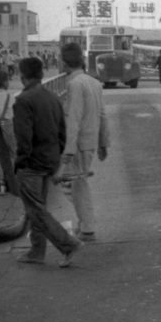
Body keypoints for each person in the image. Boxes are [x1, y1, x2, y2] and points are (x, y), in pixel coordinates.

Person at [12, 57, 83, 267]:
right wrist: (56, 157)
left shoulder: (23, 100)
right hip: (49, 160)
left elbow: (24, 137)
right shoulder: (52, 97)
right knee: (37, 208)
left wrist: (20, 161)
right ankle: (36, 250)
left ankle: (67, 244)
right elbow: (62, 131)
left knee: (35, 210)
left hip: (32, 163)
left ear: (22, 76)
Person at [60, 42, 110, 241]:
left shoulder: (74, 84)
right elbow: (103, 115)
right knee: (77, 185)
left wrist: (68, 150)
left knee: (75, 186)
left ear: (65, 62)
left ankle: (87, 227)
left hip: (78, 143)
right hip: (90, 141)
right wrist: (103, 142)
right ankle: (84, 224)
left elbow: (73, 118)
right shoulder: (94, 82)